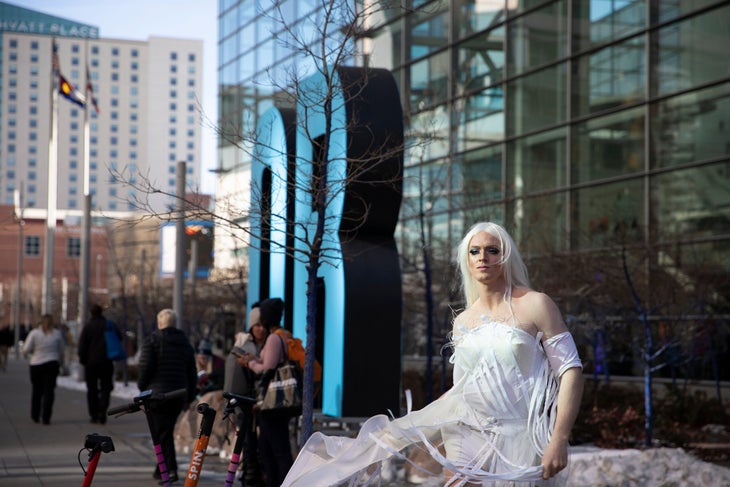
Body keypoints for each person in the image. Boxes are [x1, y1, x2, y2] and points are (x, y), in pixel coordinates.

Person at [281, 222, 584, 486]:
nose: (483, 258)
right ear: (466, 259)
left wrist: (559, 437)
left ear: (506, 256)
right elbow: (461, 391)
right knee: (385, 444)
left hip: (521, 436)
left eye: (492, 250)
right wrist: (423, 432)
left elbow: (570, 371)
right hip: (467, 430)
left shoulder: (536, 304)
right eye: (474, 251)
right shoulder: (464, 321)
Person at [237, 297, 293, 487]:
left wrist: (249, 363)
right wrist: (256, 358)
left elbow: (267, 369)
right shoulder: (280, 336)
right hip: (274, 405)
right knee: (269, 448)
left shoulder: (273, 338)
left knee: (275, 450)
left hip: (272, 405)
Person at [138, 308, 197, 484]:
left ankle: (170, 470)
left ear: (159, 323)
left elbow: (145, 367)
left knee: (161, 432)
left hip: (157, 395)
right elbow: (191, 371)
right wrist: (190, 396)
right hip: (178, 394)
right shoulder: (185, 342)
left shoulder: (153, 340)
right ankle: (161, 467)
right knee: (165, 431)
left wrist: (142, 387)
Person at [224, 302, 268, 487]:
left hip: (261, 402)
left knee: (258, 441)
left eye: (263, 325)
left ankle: (253, 474)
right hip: (246, 402)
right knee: (248, 440)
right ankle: (250, 476)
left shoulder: (267, 344)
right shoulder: (243, 347)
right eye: (257, 325)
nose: (261, 329)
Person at [77, 304, 122, 424]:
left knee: (92, 389)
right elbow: (119, 338)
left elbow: (82, 345)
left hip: (91, 363)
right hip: (107, 361)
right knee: (106, 388)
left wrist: (82, 359)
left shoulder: (88, 327)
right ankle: (103, 410)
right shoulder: (109, 325)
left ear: (91, 313)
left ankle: (94, 414)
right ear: (101, 312)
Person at [21, 314, 65, 424]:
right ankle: (46, 417)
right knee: (49, 391)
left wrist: (27, 354)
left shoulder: (35, 333)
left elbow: (26, 349)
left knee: (37, 391)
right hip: (52, 364)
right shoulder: (57, 334)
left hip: (36, 364)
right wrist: (62, 364)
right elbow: (62, 351)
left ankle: (35, 415)